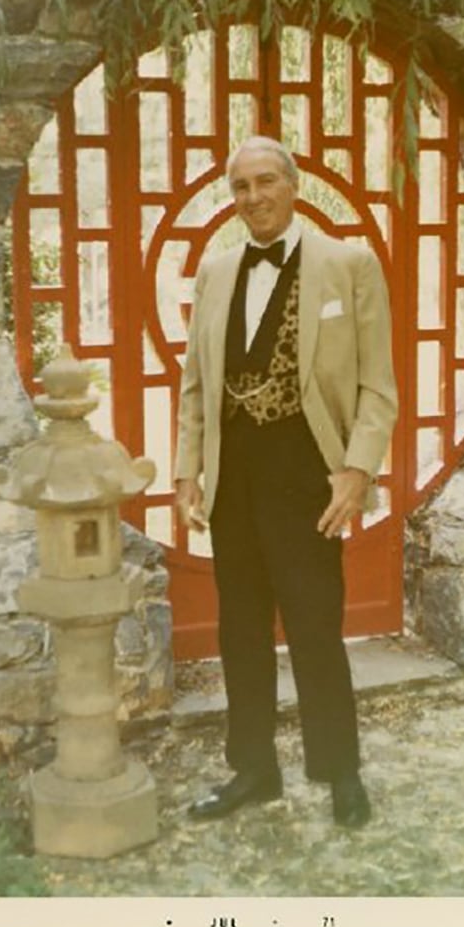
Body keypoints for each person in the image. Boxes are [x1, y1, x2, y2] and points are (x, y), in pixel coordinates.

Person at [174, 136, 398, 829]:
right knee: (239, 630)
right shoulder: (215, 270)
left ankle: (341, 774)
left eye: (266, 181)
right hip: (234, 475)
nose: (254, 197)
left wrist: (357, 471)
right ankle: (254, 770)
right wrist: (188, 470)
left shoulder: (348, 263)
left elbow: (378, 388)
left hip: (307, 475)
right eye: (240, 187)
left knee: (314, 630)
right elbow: (195, 385)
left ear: (294, 185)